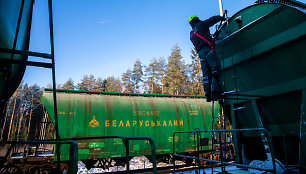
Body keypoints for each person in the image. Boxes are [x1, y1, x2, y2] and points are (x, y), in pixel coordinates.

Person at [188, 15, 225, 102]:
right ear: (196, 19)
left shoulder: (191, 34)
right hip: (208, 50)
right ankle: (216, 92)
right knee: (216, 68)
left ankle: (208, 94)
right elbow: (211, 20)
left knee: (206, 75)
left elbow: (200, 41)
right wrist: (221, 18)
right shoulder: (201, 24)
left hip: (201, 55)